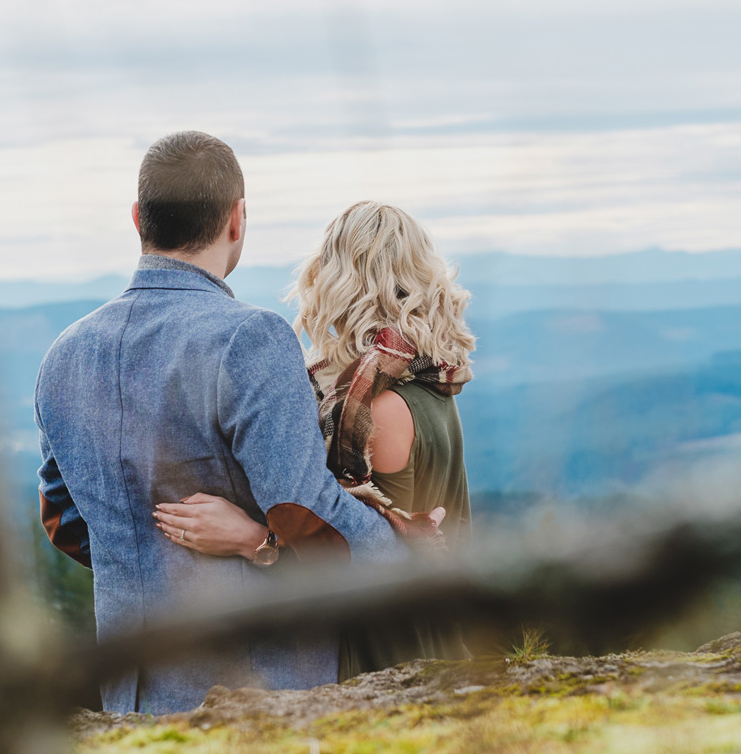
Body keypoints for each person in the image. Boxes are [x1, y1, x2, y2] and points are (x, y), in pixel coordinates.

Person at [34, 131, 404, 716]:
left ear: (138, 219)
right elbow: (308, 518)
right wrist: (407, 552)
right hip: (252, 688)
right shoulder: (249, 340)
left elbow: (64, 520)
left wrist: (150, 556)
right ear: (237, 220)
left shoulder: (64, 356)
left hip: (128, 695)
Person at [164, 200, 476, 680]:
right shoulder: (428, 385)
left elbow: (371, 556)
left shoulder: (377, 410)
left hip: (388, 650)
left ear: (334, 285)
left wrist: (255, 541)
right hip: (432, 633)